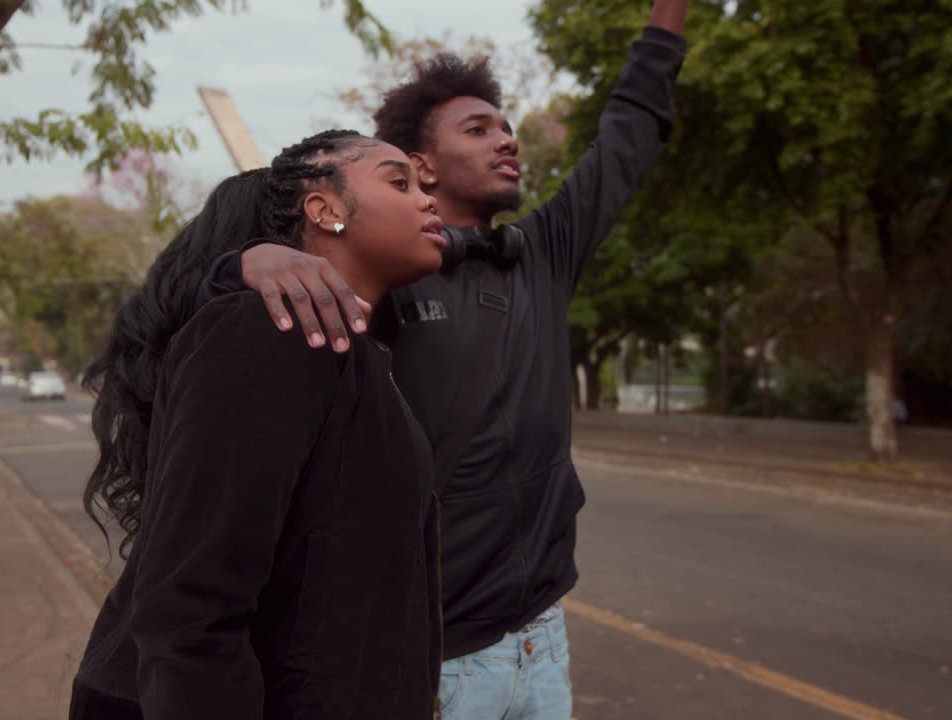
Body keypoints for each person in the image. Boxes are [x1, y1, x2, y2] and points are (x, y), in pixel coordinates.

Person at [222, 3, 690, 717]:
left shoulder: (542, 253)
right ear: (421, 167)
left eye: (507, 128)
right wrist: (248, 260)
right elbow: (231, 312)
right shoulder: (383, 271)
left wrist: (667, 18)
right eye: (478, 130)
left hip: (542, 637)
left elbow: (629, 133)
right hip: (433, 657)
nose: (506, 141)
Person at [72, 130, 448, 720]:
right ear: (323, 209)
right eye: (399, 181)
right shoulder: (267, 330)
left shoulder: (363, 354)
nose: (430, 200)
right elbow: (192, 612)